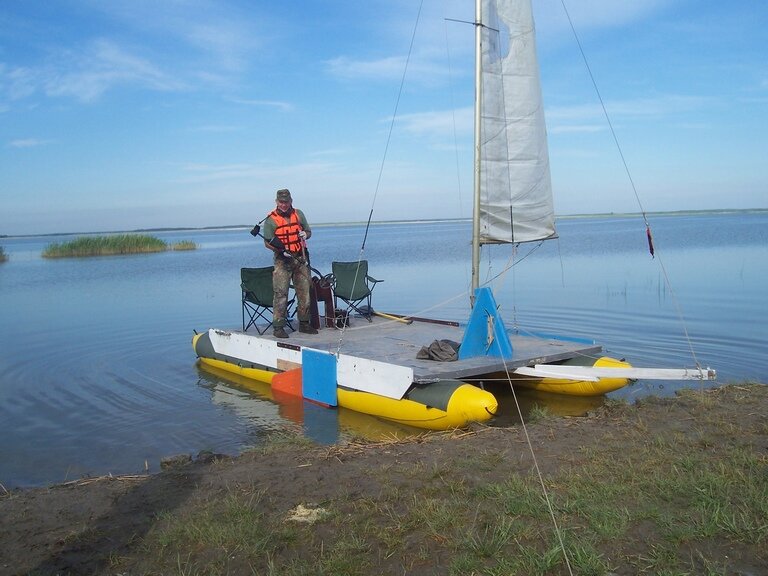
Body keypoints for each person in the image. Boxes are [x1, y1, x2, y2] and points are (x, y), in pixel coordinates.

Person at [262, 188, 318, 338]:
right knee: (281, 293)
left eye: (286, 202)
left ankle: (304, 323)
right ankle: (278, 327)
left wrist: (306, 234)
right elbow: (267, 243)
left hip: (301, 258)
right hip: (282, 261)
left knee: (304, 291)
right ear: (276, 202)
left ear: (291, 201)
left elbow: (309, 231)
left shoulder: (299, 214)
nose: (284, 205)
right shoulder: (271, 220)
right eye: (281, 202)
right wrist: (280, 251)